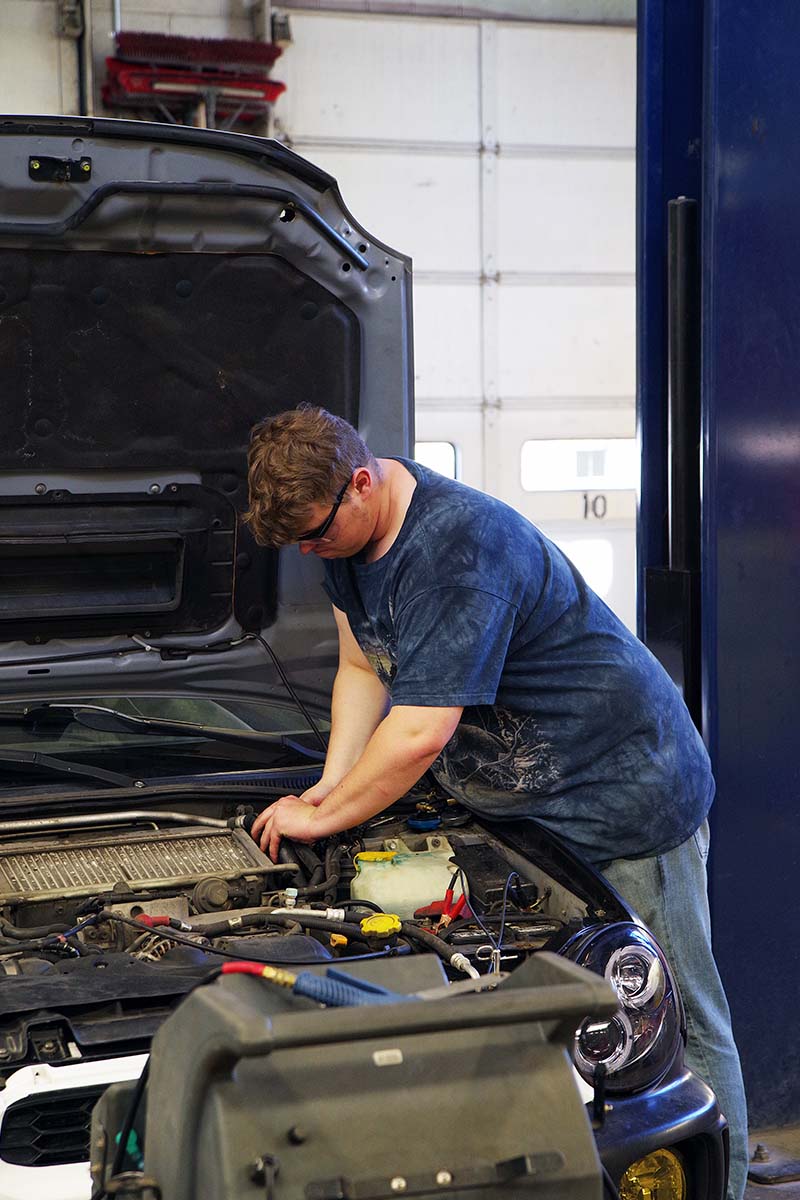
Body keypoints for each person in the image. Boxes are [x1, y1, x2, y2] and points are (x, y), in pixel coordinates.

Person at [244, 404, 748, 1200]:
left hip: (622, 789)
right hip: (524, 804)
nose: (310, 552)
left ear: (362, 483)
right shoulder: (348, 537)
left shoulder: (458, 550)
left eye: (315, 535)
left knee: (672, 1018)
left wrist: (323, 818)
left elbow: (417, 734)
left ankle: (726, 1183)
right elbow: (361, 668)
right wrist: (330, 790)